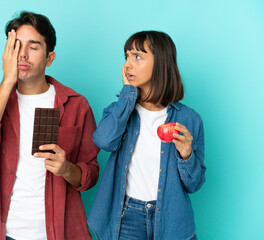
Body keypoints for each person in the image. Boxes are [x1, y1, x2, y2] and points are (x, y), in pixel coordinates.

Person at [0, 11, 99, 240]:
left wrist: (66, 169)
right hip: (5, 233)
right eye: (16, 46)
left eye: (33, 47)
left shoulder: (76, 105)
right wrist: (7, 81)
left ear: (49, 58)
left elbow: (91, 174)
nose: (22, 55)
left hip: (59, 234)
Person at [87, 31, 206, 240]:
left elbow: (194, 184)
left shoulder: (189, 119)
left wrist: (187, 155)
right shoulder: (119, 112)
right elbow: (103, 141)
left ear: (160, 63)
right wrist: (127, 94)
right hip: (126, 219)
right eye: (127, 56)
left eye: (138, 57)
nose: (128, 65)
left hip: (172, 220)